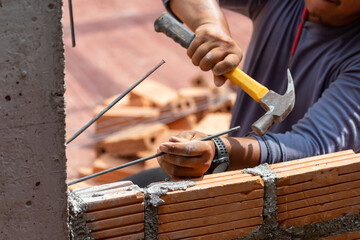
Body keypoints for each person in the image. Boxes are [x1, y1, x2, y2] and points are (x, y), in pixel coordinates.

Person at [124, 0, 360, 186]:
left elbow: (311, 148)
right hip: (229, 176)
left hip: (298, 202)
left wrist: (219, 151)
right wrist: (210, 24)